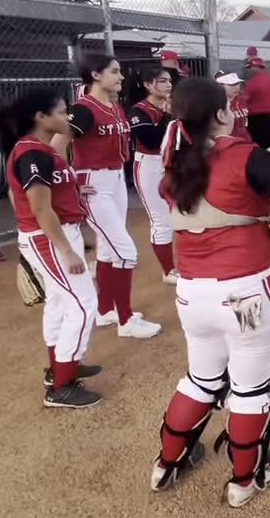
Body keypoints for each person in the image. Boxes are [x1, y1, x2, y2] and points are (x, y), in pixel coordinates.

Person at [150, 77, 270, 507]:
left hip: (193, 295)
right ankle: (244, 481)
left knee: (200, 380)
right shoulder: (243, 156)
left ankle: (165, 464)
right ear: (222, 114)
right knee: (250, 386)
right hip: (245, 294)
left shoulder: (174, 162)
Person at [0, 88, 102, 408]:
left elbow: (46, 194)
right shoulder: (32, 152)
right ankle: (62, 386)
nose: (65, 117)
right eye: (59, 112)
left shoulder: (40, 149)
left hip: (48, 236)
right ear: (40, 118)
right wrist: (68, 251)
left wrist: (74, 189)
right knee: (84, 303)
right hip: (50, 238)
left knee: (59, 302)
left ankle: (59, 366)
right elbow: (40, 209)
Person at [53, 54, 161, 339]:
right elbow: (56, 146)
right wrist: (69, 181)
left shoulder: (115, 107)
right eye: (115, 71)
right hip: (93, 182)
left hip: (114, 180)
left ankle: (104, 312)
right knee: (125, 251)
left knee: (107, 249)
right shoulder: (84, 109)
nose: (121, 77)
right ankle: (125, 321)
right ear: (96, 75)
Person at [128, 67, 178, 285]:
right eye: (162, 81)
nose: (168, 84)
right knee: (161, 220)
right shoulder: (138, 110)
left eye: (169, 80)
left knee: (183, 213)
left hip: (173, 163)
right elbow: (151, 139)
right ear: (148, 85)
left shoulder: (174, 105)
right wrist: (168, 115)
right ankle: (168, 271)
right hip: (149, 165)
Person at [243, 57, 270, 153]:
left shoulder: (252, 83)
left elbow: (244, 101)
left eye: (250, 67)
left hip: (257, 120)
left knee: (258, 148)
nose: (249, 70)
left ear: (256, 67)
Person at [215, 71, 252, 141]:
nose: (236, 87)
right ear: (220, 86)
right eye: (231, 84)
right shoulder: (216, 104)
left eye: (237, 83)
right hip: (228, 145)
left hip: (245, 142)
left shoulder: (242, 101)